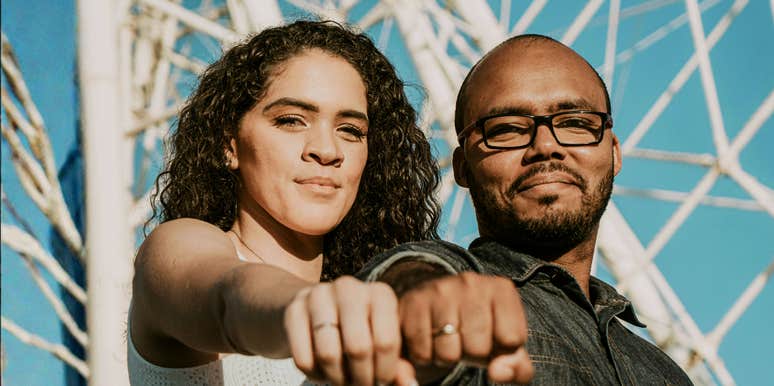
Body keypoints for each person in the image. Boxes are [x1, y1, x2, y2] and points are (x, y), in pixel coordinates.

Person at [358, 34, 694, 385]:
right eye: (505, 130)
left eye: (576, 123)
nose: (546, 146)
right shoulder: (465, 301)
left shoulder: (665, 373)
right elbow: (409, 282)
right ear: (462, 167)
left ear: (614, 152)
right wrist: (413, 294)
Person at [128, 20, 443, 386]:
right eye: (291, 121)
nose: (327, 150)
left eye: (351, 131)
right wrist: (315, 311)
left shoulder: (374, 308)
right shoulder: (178, 248)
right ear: (229, 145)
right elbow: (229, 301)